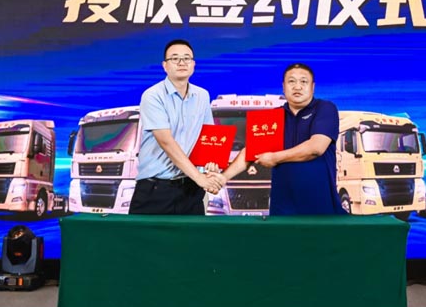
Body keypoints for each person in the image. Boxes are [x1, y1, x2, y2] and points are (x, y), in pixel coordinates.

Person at [221, 63, 346, 215]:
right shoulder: (272, 117)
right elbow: (250, 153)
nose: (297, 87)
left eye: (303, 81)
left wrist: (275, 158)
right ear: (283, 87)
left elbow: (316, 148)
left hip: (320, 205)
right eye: (291, 81)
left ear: (312, 87)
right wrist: (222, 178)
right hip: (282, 208)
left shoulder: (325, 108)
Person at [129, 39, 225, 215]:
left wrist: (211, 164)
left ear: (193, 64)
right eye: (175, 58)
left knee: (192, 234)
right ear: (165, 66)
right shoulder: (152, 96)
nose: (182, 63)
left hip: (190, 189)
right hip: (155, 188)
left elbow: (209, 136)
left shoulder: (203, 96)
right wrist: (200, 178)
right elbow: (166, 142)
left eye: (187, 58)